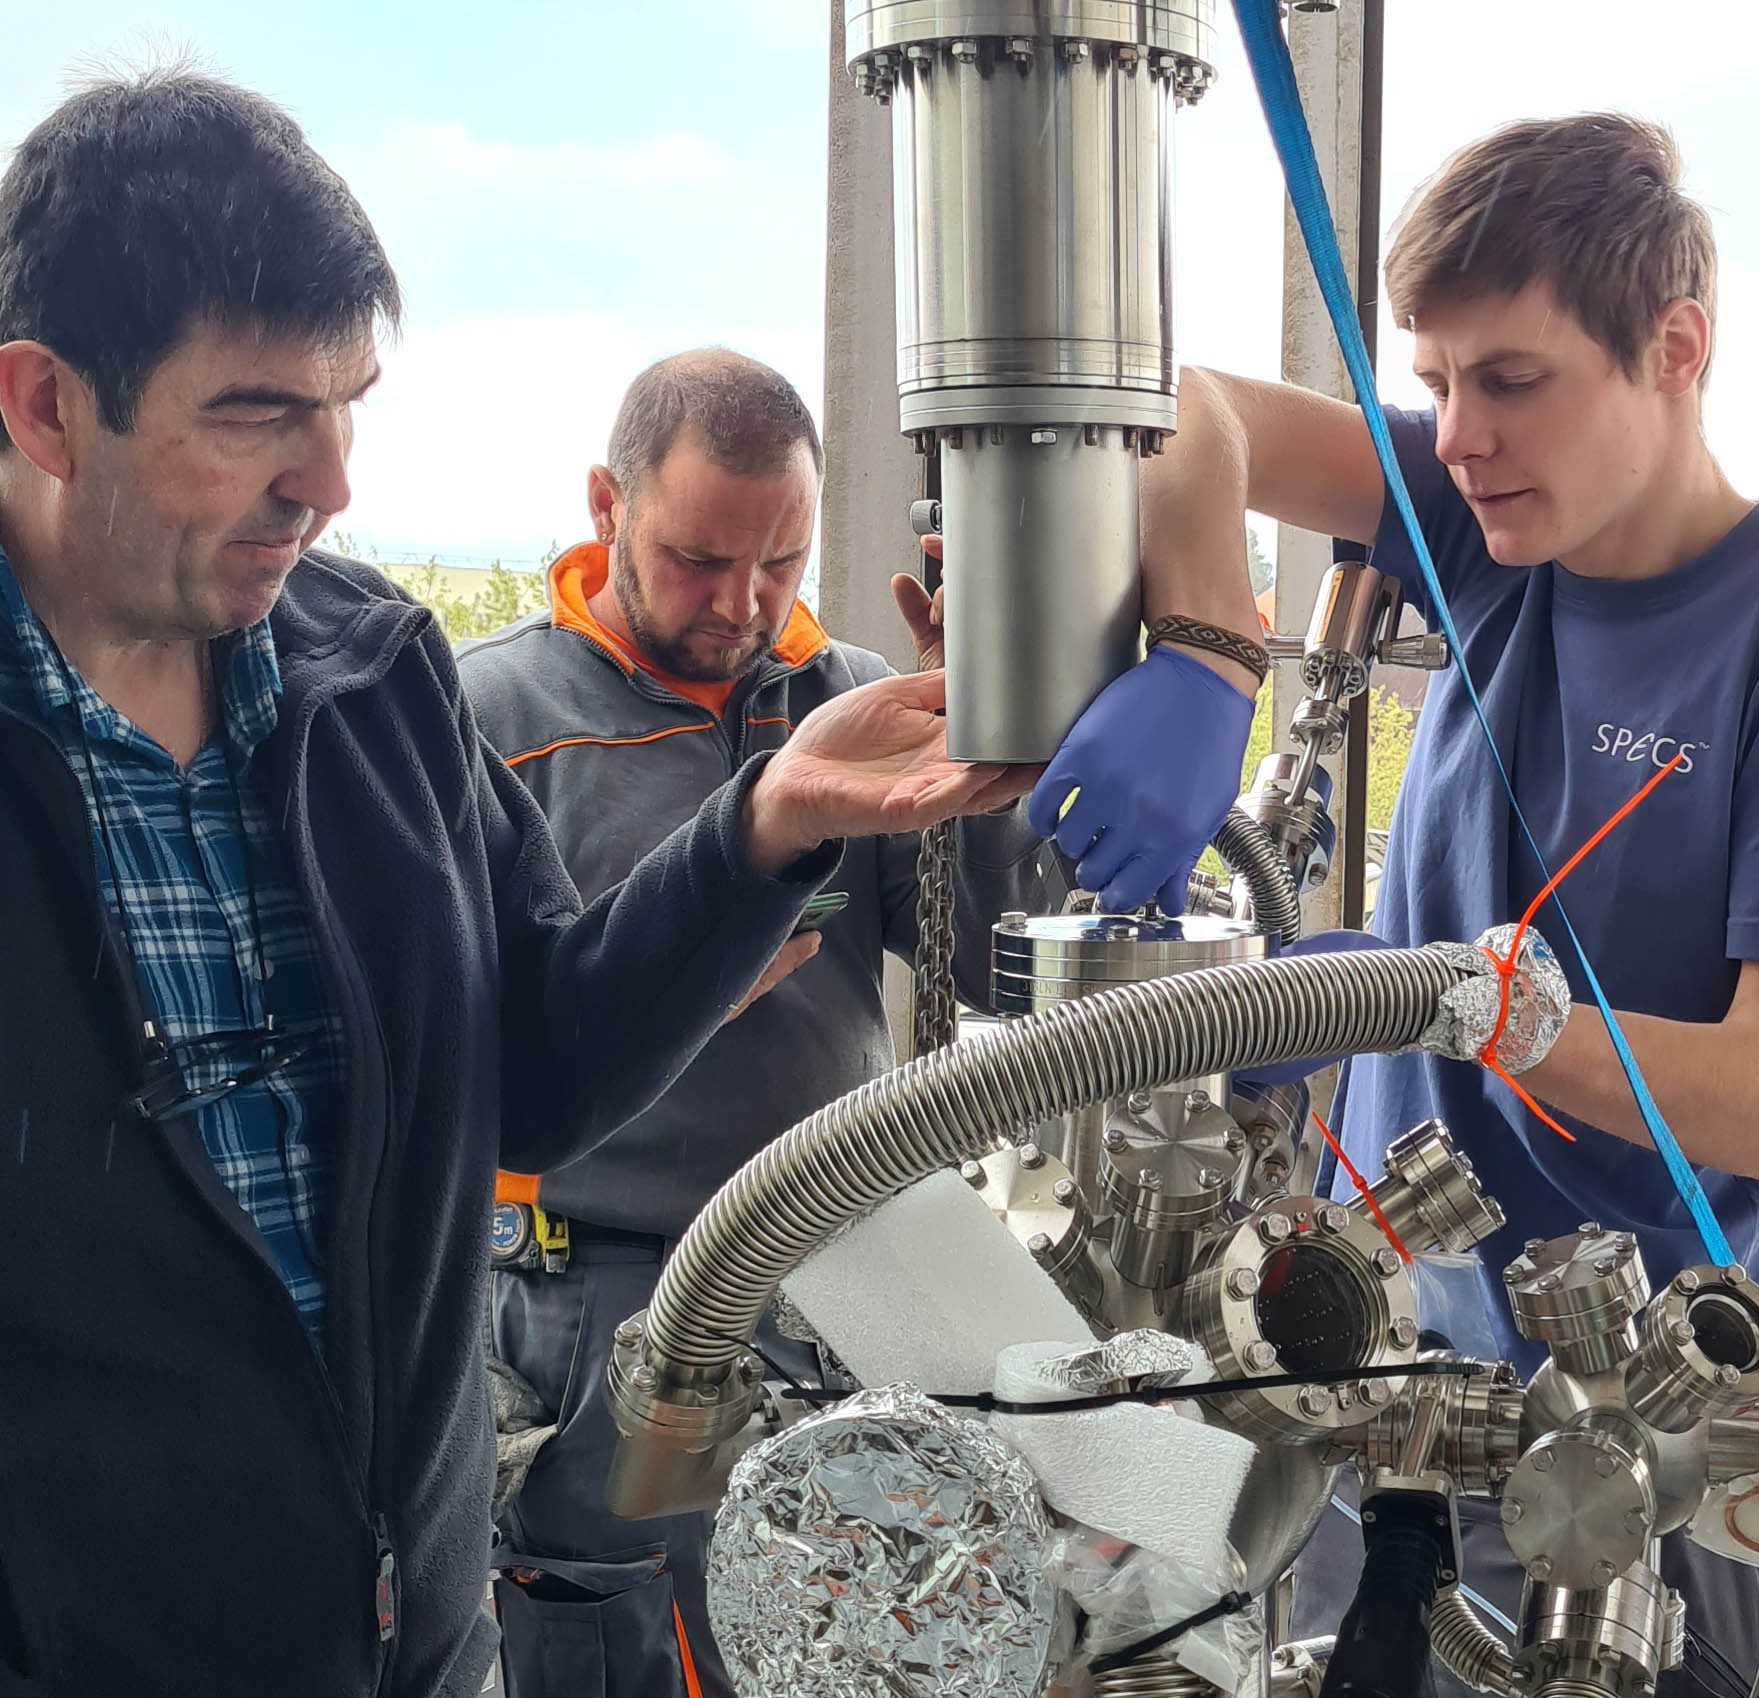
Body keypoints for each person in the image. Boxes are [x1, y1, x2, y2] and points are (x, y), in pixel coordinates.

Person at [0, 72, 1037, 1695]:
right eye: (259, 412)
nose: (330, 480)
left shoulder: (373, 683)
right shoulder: (490, 689)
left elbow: (540, 1069)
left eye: (348, 403)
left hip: (419, 1638)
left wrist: (766, 821)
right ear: (46, 405)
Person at [1145, 114, 1759, 1698]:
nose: (1462, 432)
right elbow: (1186, 406)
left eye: (1510, 379)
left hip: (1608, 1440)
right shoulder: (1493, 537)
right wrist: (1206, 644)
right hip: (1373, 1383)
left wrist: (1490, 1015)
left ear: (1675, 347)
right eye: (1434, 385)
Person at [455, 349, 1085, 1696]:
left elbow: (983, 954)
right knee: (599, 1637)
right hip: (591, 1301)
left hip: (833, 1284)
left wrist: (993, 764)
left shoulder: (847, 697)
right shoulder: (488, 719)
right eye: (695, 560)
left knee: (831, 1642)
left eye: (782, 565)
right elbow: (459, 1038)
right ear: (603, 504)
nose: (740, 606)